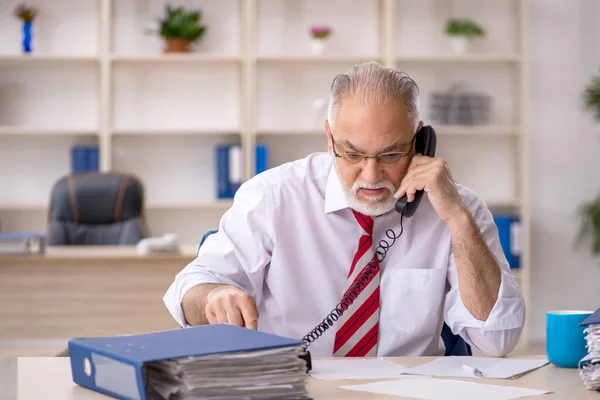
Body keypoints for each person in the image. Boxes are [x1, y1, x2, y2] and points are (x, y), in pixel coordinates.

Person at [163, 61, 525, 358]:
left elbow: (496, 341)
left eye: (391, 154)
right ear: (328, 136)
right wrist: (213, 296)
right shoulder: (274, 196)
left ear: (420, 140)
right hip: (292, 388)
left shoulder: (460, 208)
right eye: (351, 154)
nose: (370, 175)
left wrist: (457, 220)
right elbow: (187, 292)